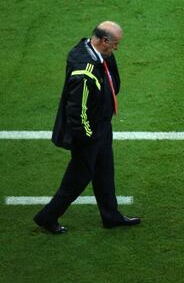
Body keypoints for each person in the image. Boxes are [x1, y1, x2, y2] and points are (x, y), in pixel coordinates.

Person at [33, 21, 140, 234]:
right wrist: (89, 137)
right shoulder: (85, 71)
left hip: (101, 126)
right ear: (104, 40)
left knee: (105, 172)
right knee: (76, 180)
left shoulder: (95, 53)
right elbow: (77, 111)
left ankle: (110, 216)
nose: (116, 48)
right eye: (115, 43)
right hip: (89, 133)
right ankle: (47, 217)